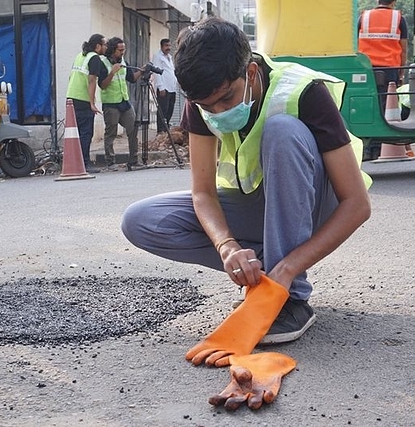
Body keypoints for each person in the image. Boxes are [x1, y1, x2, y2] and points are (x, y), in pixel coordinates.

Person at [121, 18, 372, 348]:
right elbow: (203, 192)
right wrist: (228, 247)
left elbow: (357, 205)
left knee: (282, 131)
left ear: (250, 73)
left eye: (226, 99)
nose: (217, 112)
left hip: (317, 207)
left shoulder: (302, 91)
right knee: (142, 220)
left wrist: (289, 270)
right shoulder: (205, 100)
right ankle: (265, 271)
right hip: (262, 208)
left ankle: (288, 295)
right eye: (205, 106)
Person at [358, 0, 408, 159]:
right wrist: (401, 72)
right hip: (389, 68)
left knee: (368, 105)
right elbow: (404, 48)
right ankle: (377, 146)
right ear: (394, 2)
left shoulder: (364, 17)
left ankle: (367, 147)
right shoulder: (398, 18)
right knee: (385, 107)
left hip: (366, 67)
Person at [98, 37, 143, 170]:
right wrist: (112, 72)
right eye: (120, 50)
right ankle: (110, 161)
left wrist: (142, 71)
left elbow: (132, 79)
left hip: (124, 101)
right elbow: (102, 85)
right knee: (111, 133)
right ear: (112, 50)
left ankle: (134, 160)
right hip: (111, 103)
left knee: (133, 129)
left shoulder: (123, 61)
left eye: (124, 49)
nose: (122, 52)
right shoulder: (103, 63)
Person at [66, 33, 107, 174]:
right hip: (82, 99)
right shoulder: (94, 58)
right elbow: (91, 80)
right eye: (104, 44)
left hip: (71, 96)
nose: (106, 47)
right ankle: (84, 163)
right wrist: (92, 103)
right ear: (97, 46)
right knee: (85, 132)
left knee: (75, 133)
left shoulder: (80, 55)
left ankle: (76, 163)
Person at [151, 38, 177, 133]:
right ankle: (160, 130)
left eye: (169, 45)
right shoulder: (158, 56)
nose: (168, 48)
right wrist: (161, 87)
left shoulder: (169, 57)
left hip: (172, 87)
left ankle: (166, 128)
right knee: (163, 110)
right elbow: (157, 72)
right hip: (163, 88)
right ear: (161, 46)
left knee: (170, 108)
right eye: (166, 46)